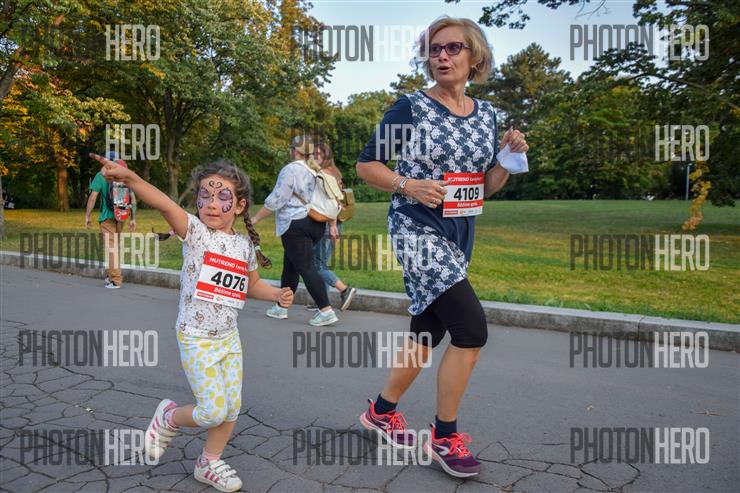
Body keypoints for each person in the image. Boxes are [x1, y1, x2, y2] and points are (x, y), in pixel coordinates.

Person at [355, 17, 529, 478]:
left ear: (475, 56)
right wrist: (407, 184)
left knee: (428, 332)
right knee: (470, 329)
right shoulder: (410, 108)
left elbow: (483, 186)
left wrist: (507, 159)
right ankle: (444, 436)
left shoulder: (487, 115)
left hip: (459, 233)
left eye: (453, 48)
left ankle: (381, 412)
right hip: (416, 228)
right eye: (435, 49)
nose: (442, 56)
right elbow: (367, 165)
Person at [91, 153, 294, 492]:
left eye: (222, 196)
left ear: (240, 205)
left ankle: (209, 462)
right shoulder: (196, 233)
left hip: (228, 338)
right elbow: (165, 204)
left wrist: (276, 295)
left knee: (231, 408)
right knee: (212, 411)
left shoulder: (243, 245)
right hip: (196, 337)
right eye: (205, 195)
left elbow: (252, 285)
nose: (212, 204)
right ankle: (168, 417)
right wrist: (131, 179)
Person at [251, 136, 339, 326]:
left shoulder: (291, 169)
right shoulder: (314, 169)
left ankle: (326, 310)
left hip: (296, 224)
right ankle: (281, 306)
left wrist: (256, 218)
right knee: (290, 265)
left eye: (291, 148)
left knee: (306, 267)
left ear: (296, 151)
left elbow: (277, 199)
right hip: (316, 224)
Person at [307, 140, 357, 312]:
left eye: (318, 154)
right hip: (332, 223)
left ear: (326, 156)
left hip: (328, 223)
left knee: (316, 264)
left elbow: (332, 202)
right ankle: (321, 300)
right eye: (313, 154)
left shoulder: (324, 173)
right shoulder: (334, 172)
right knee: (320, 262)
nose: (314, 157)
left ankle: (344, 289)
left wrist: (332, 226)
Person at [85, 151, 136, 289]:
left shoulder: (101, 175)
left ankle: (116, 280)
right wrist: (133, 218)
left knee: (111, 248)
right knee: (114, 247)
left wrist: (87, 216)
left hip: (107, 217)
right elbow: (132, 198)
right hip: (121, 216)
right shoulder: (123, 175)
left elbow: (92, 197)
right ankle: (111, 276)